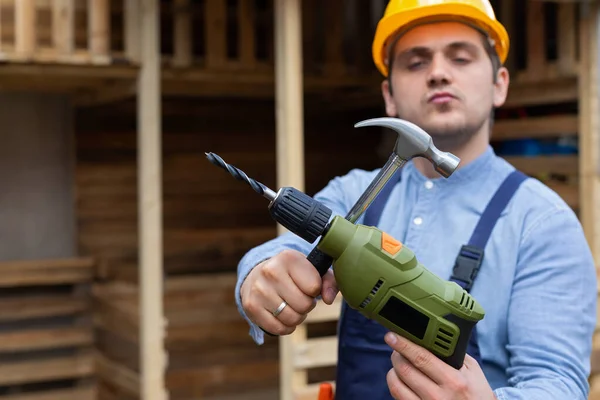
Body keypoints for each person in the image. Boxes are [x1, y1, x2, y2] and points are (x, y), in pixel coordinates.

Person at [234, 1, 597, 399]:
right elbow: (284, 249)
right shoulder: (355, 194)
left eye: (460, 57)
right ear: (389, 96)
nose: (439, 73)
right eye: (416, 62)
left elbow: (559, 384)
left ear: (500, 84)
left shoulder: (541, 222)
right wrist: (259, 274)